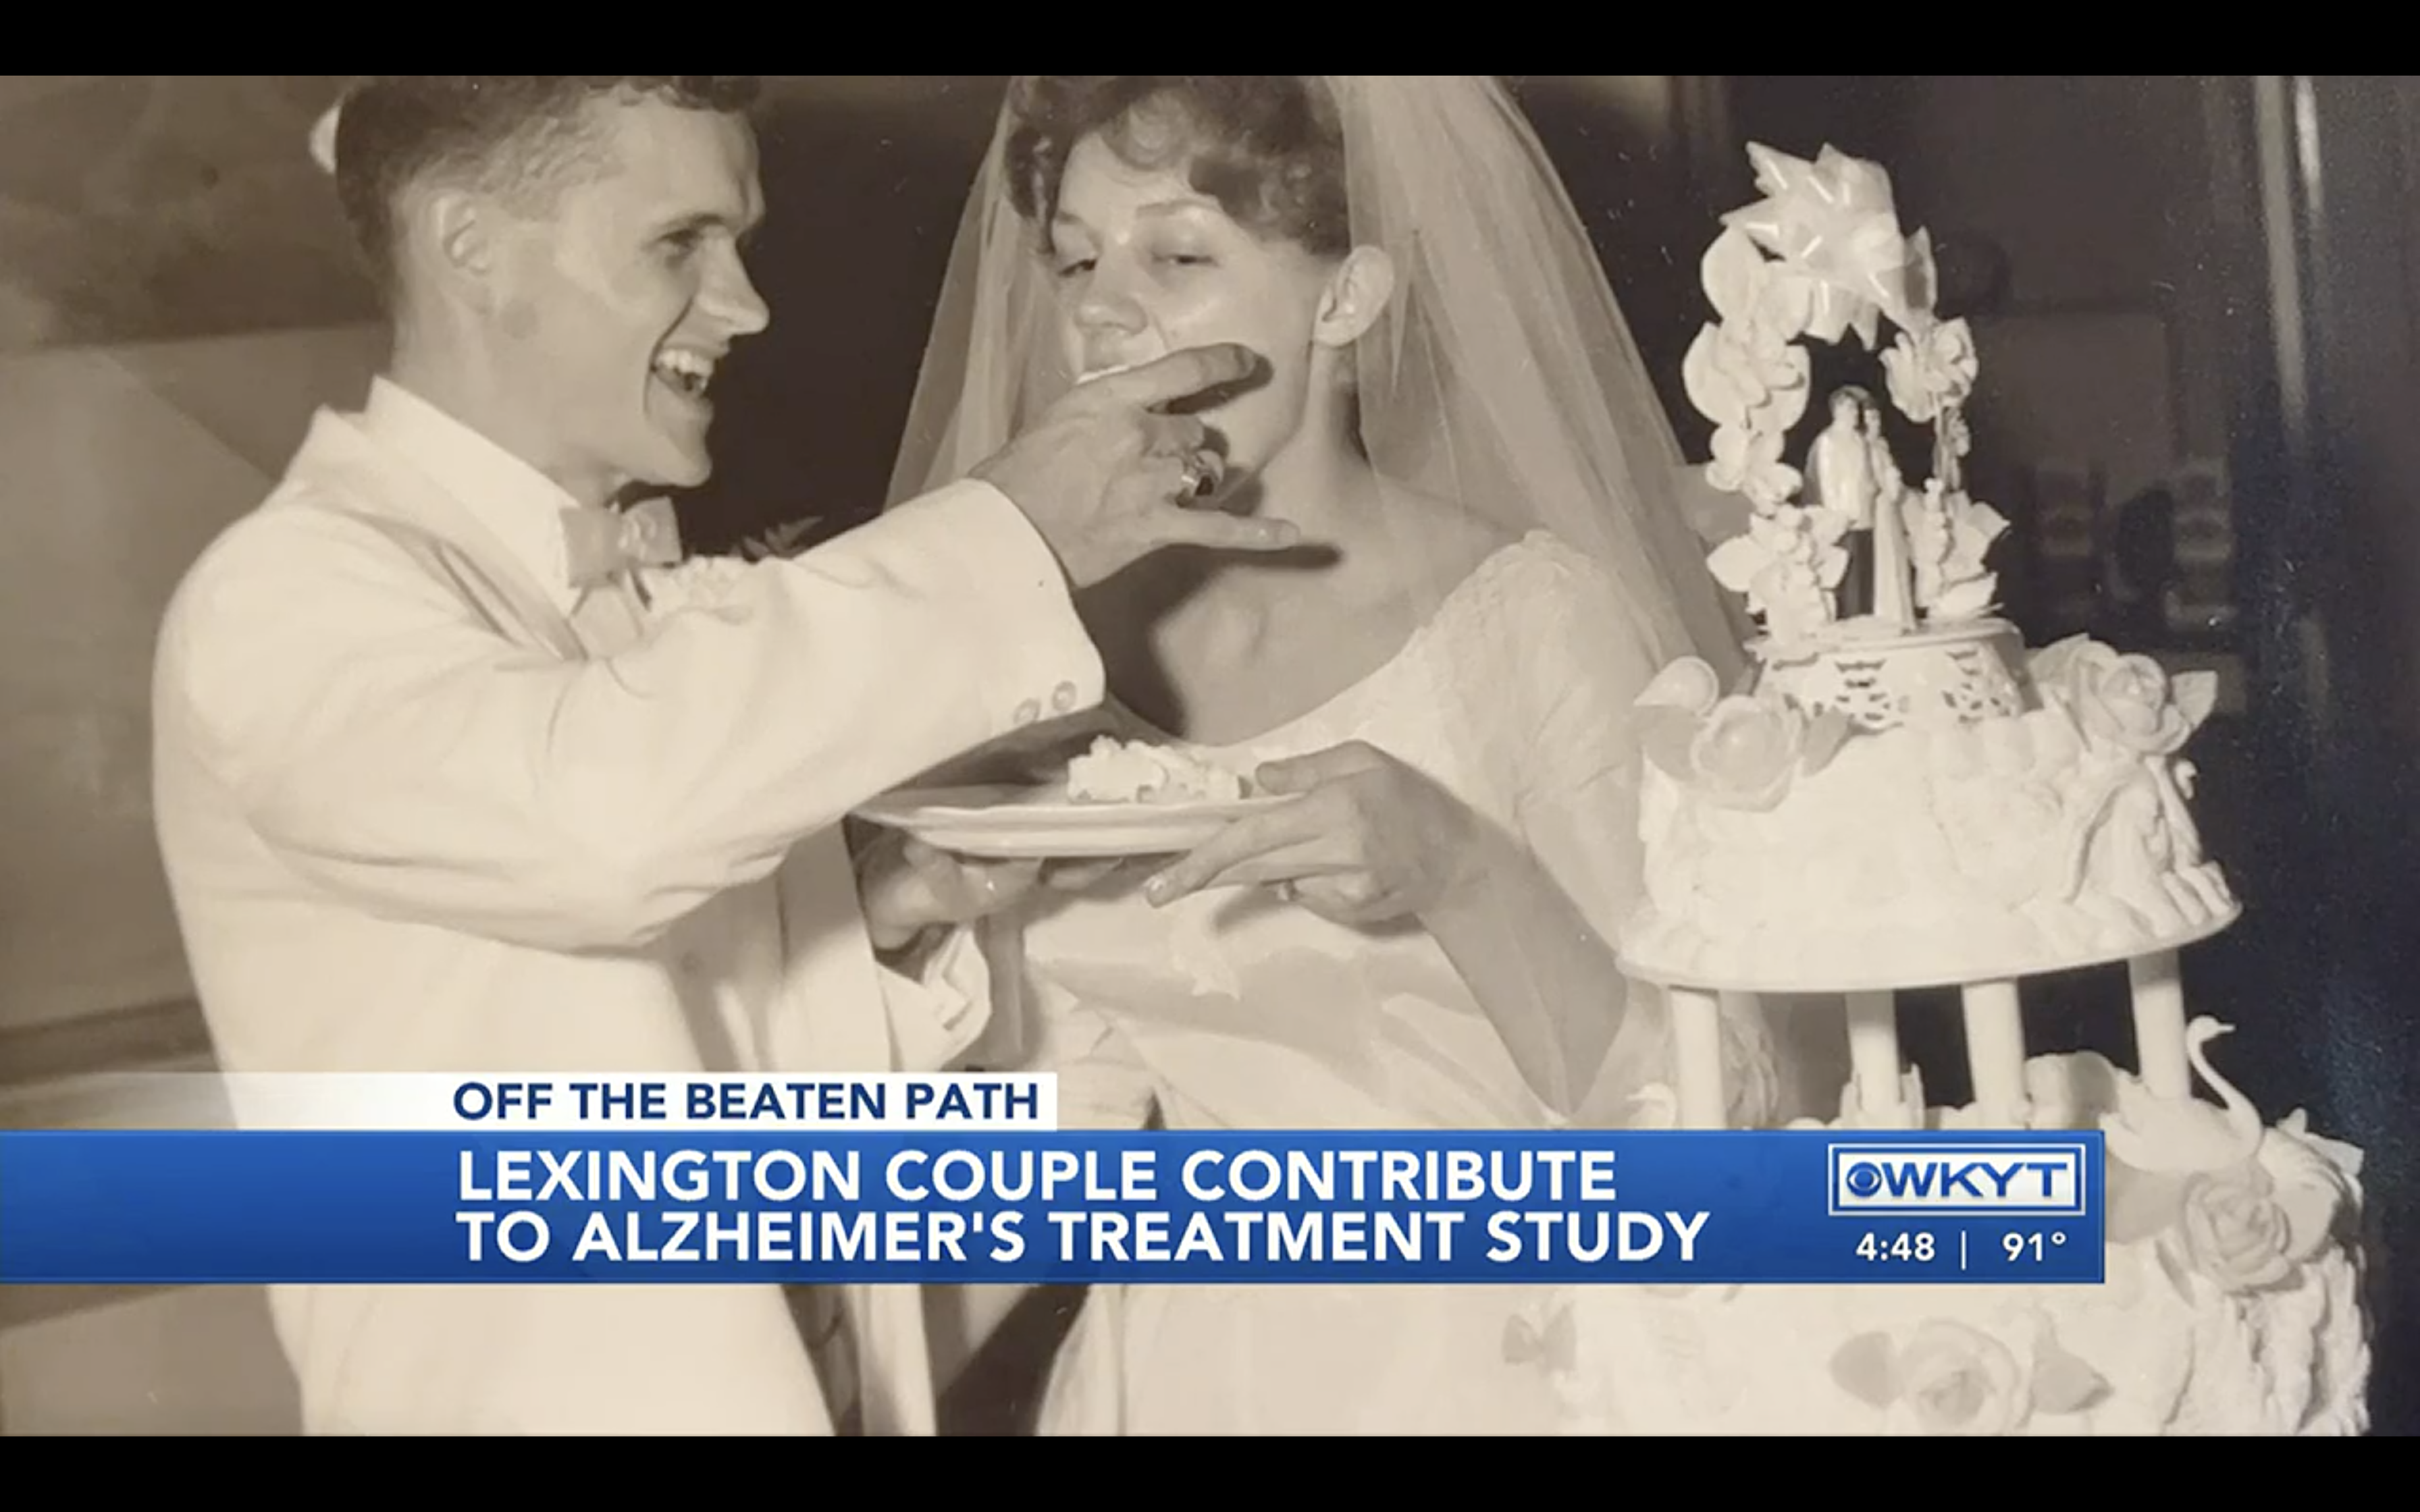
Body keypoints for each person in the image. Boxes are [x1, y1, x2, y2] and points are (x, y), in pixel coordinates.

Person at [150, 74, 1294, 1438]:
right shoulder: (284, 595)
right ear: (470, 248)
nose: (746, 304)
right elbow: (594, 829)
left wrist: (872, 914)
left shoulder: (629, 596)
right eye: (680, 244)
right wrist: (1011, 530)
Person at [885, 75, 1806, 1435]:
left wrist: (1457, 869)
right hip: (1166, 1382)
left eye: (1178, 255)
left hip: (1506, 1369)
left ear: (1346, 299)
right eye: (1077, 257)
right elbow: (1070, 1127)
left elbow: (1725, 1135)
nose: (1097, 310)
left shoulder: (1530, 621)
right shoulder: (1044, 658)